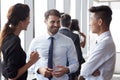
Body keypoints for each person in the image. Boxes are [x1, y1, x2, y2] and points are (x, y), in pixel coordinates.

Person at [27, 9, 79, 80]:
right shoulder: (36, 41)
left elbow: (75, 64)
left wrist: (67, 70)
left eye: (58, 22)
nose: (56, 25)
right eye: (52, 22)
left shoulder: (68, 41)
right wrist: (39, 70)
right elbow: (28, 63)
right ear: (45, 21)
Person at [0, 3, 39, 80]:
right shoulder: (14, 41)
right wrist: (31, 62)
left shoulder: (6, 38)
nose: (29, 22)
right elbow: (12, 77)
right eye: (28, 18)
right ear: (21, 22)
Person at [78, 5, 116, 80]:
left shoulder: (105, 43)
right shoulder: (103, 41)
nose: (89, 23)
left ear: (100, 22)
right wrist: (90, 70)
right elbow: (87, 69)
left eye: (91, 19)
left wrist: (88, 69)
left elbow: (84, 70)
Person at [59, 14, 85, 80]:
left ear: (60, 23)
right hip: (70, 71)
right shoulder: (74, 36)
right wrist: (77, 73)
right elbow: (78, 55)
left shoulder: (55, 35)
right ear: (70, 23)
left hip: (57, 70)